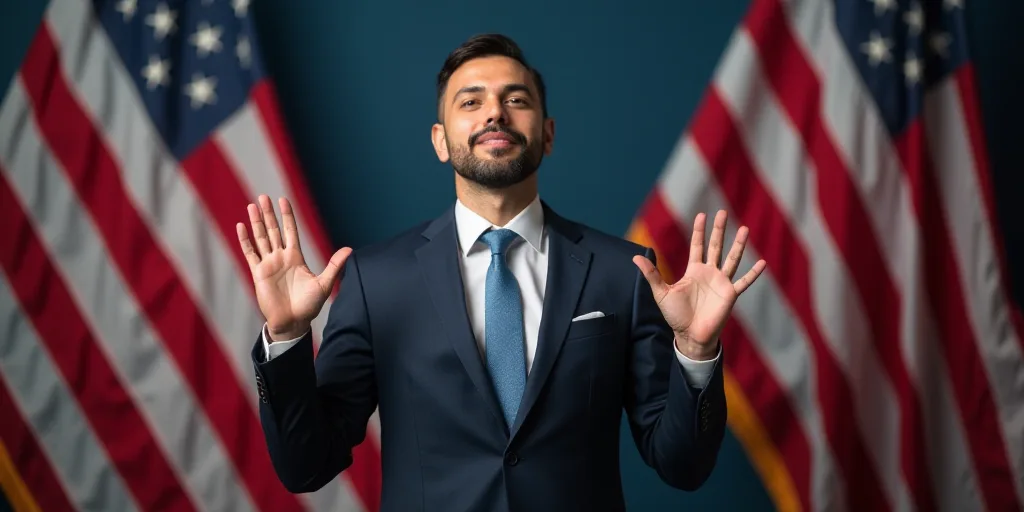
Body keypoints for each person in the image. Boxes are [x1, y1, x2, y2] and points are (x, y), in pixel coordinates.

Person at [238, 33, 766, 512]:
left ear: (548, 133)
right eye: (471, 102)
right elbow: (307, 466)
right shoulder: (377, 282)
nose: (495, 113)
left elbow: (683, 466)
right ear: (441, 140)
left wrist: (696, 351)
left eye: (516, 100)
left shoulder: (623, 274)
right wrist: (286, 337)